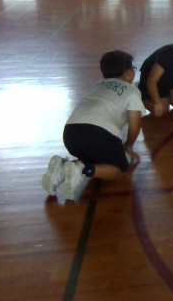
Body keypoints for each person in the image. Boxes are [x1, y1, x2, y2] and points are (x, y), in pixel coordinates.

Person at [41, 50, 145, 200]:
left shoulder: (98, 85)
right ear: (129, 73)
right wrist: (128, 145)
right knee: (119, 168)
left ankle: (61, 169)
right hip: (99, 133)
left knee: (98, 158)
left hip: (70, 133)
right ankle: (82, 170)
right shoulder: (132, 91)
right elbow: (135, 124)